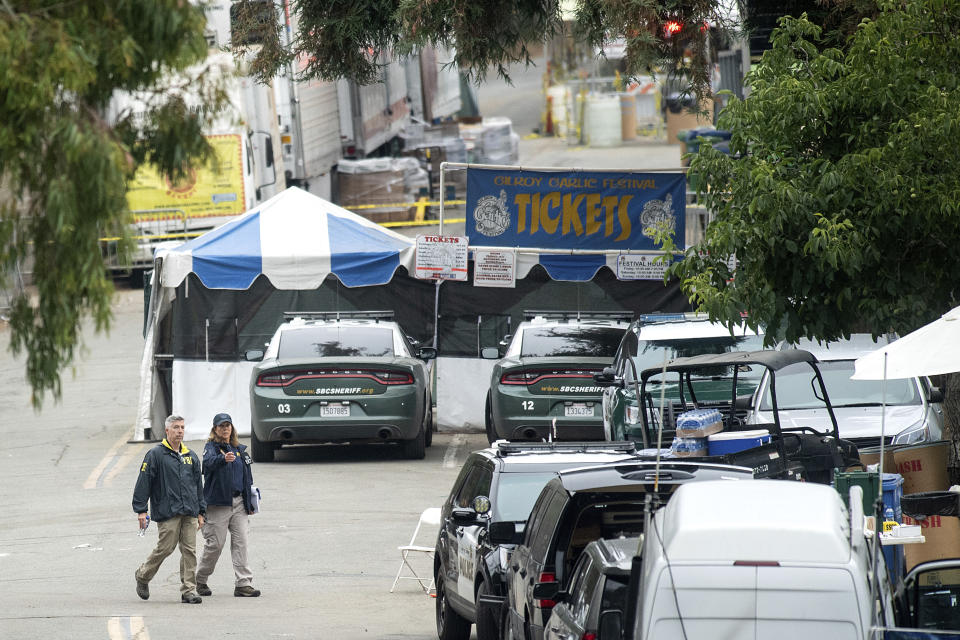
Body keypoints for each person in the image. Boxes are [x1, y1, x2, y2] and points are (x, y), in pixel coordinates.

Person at [133, 415, 206, 604]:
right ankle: (143, 575)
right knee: (165, 548)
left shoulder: (190, 456)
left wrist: (201, 511)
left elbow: (198, 485)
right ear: (167, 431)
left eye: (182, 427)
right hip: (168, 511)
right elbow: (144, 481)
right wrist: (141, 509)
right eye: (176, 427)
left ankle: (189, 590)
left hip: (189, 510)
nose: (180, 431)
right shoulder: (156, 454)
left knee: (189, 550)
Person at [196, 413, 261, 598]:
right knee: (215, 544)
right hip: (218, 505)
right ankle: (200, 579)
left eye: (228, 425)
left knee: (241, 543)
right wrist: (222, 460)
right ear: (215, 429)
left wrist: (250, 500)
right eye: (221, 426)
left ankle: (243, 583)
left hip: (239, 503)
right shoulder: (211, 448)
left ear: (232, 428)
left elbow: (247, 477)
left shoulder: (239, 449)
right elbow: (206, 465)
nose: (225, 429)